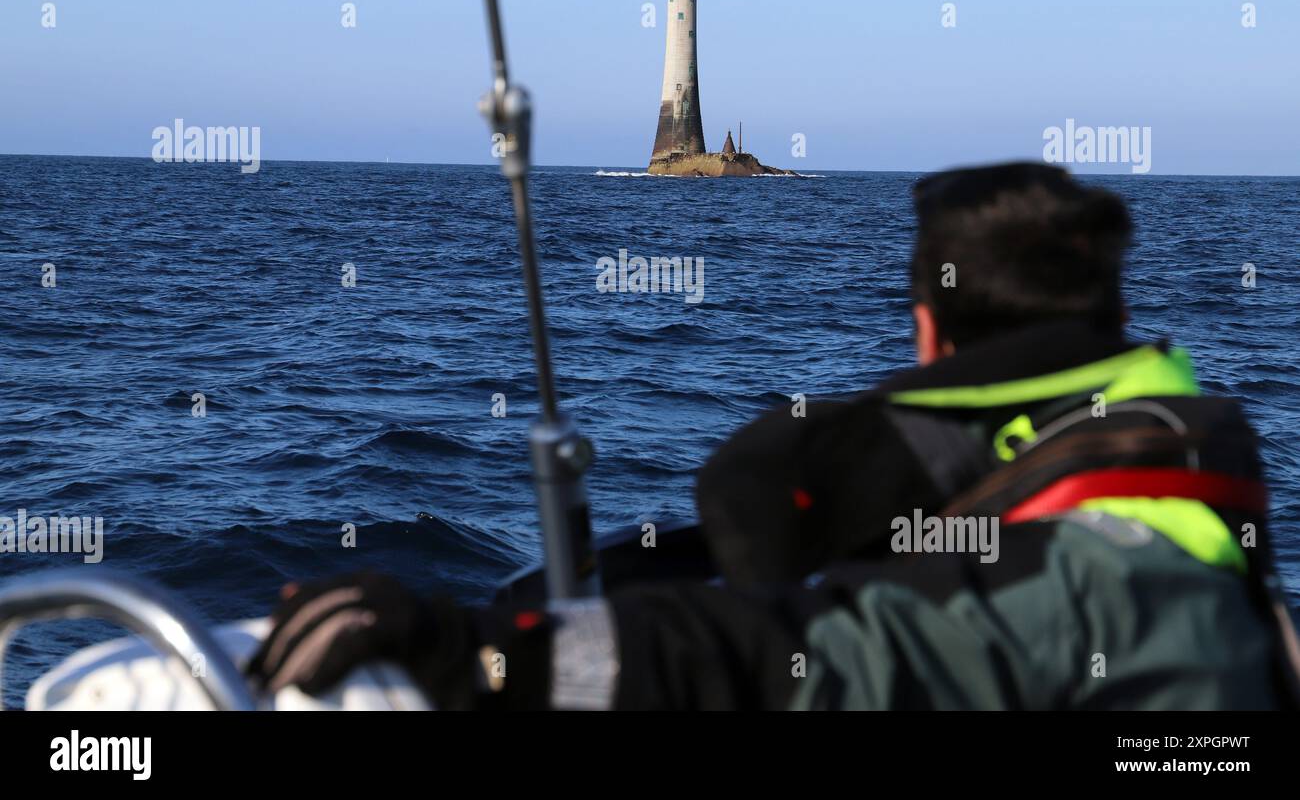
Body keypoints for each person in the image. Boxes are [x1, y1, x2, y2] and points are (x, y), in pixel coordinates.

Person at [247, 161, 1300, 709]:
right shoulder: (1202, 496)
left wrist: (477, 657)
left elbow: (783, 664)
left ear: (924, 330)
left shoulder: (1098, 585)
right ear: (1120, 327)